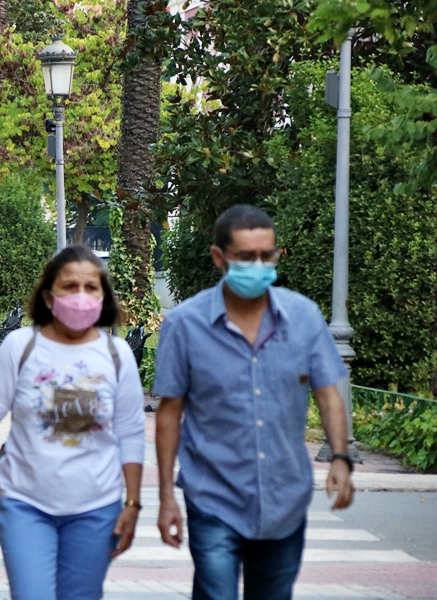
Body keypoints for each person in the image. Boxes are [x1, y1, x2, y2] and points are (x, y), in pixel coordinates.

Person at [152, 205, 354, 600]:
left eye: (267, 255)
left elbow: (328, 392)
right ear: (219, 257)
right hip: (212, 496)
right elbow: (169, 414)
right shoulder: (186, 324)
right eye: (246, 257)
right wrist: (165, 498)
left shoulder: (304, 317)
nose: (259, 265)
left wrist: (341, 458)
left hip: (285, 498)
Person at [0, 246, 145, 600]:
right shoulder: (21, 347)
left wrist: (133, 503)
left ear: (103, 295)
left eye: (91, 287)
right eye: (69, 287)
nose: (81, 296)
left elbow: (131, 430)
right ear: (49, 296)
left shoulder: (116, 354)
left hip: (97, 507)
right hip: (25, 503)